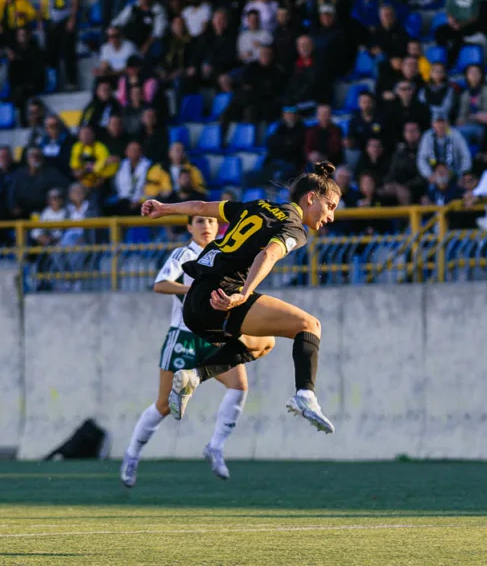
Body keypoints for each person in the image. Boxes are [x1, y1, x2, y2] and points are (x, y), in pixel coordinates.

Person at [139, 162, 341, 432]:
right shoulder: (294, 228)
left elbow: (200, 207)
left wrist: (165, 209)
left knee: (263, 344)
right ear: (311, 198)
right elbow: (268, 254)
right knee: (310, 326)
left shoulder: (257, 205)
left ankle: (195, 375)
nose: (331, 217)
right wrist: (243, 294)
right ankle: (305, 396)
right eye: (331, 207)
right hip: (223, 294)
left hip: (197, 300)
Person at [120, 215, 274, 487]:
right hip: (184, 336)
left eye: (212, 222)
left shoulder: (223, 252)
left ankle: (215, 446)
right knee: (165, 405)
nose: (206, 226)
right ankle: (132, 455)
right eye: (200, 221)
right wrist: (193, 288)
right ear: (189, 227)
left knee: (239, 387)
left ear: (219, 228)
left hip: (214, 335)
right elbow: (160, 284)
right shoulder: (184, 253)